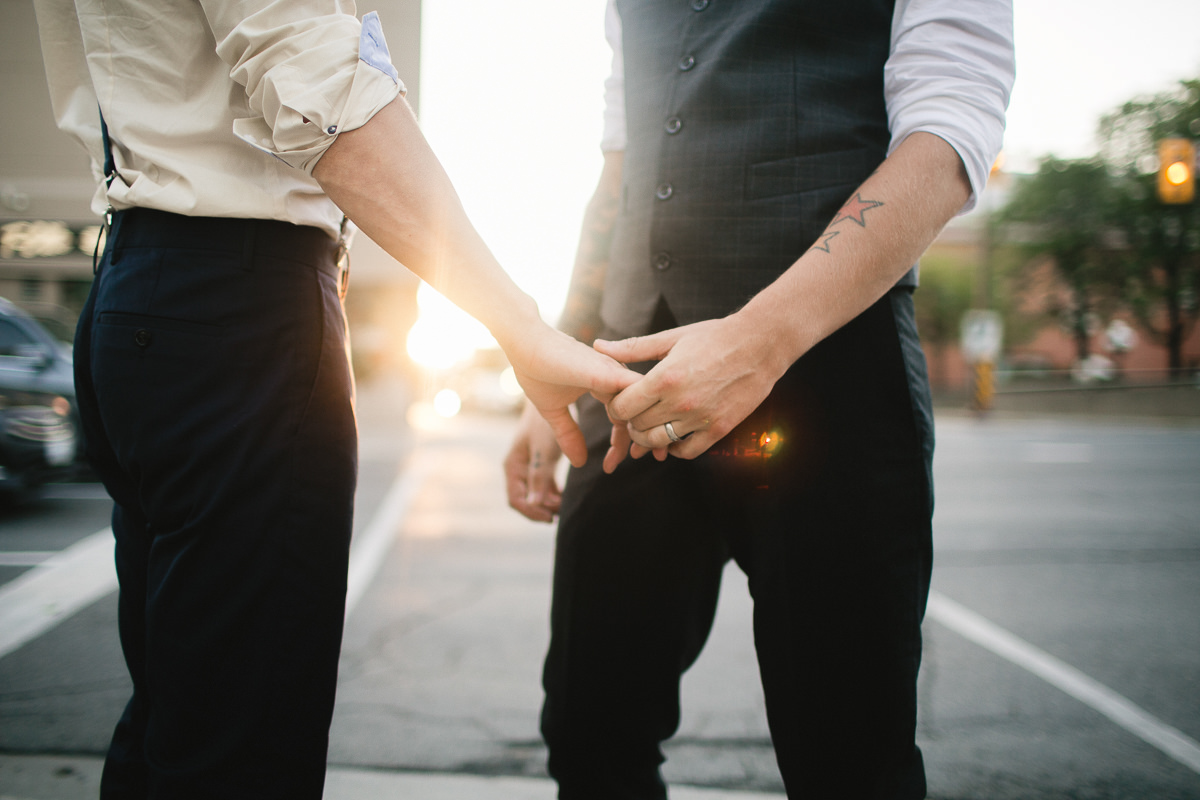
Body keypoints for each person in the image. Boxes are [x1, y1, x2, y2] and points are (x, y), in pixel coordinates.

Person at [33, 2, 635, 798]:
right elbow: (320, 84)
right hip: (237, 306)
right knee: (239, 751)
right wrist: (518, 322)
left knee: (177, 719)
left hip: (146, 286)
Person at [504, 0, 1015, 797]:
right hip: (633, 386)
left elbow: (949, 135)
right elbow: (625, 157)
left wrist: (760, 341)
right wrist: (563, 360)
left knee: (849, 761)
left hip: (831, 384)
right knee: (589, 734)